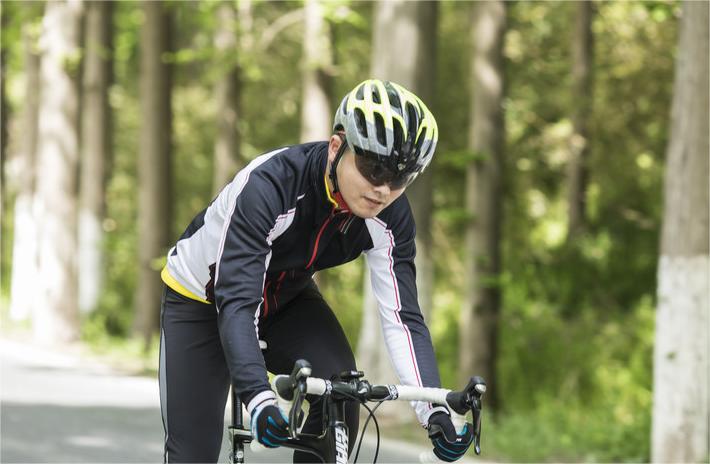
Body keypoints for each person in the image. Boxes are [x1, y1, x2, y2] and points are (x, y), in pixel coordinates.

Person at [159, 79, 473, 463]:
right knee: (193, 455)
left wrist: (434, 410)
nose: (383, 190)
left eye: (401, 178)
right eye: (374, 168)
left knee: (341, 390)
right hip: (203, 299)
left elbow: (403, 319)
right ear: (337, 146)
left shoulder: (390, 214)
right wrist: (259, 398)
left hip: (286, 298)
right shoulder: (271, 185)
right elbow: (237, 302)